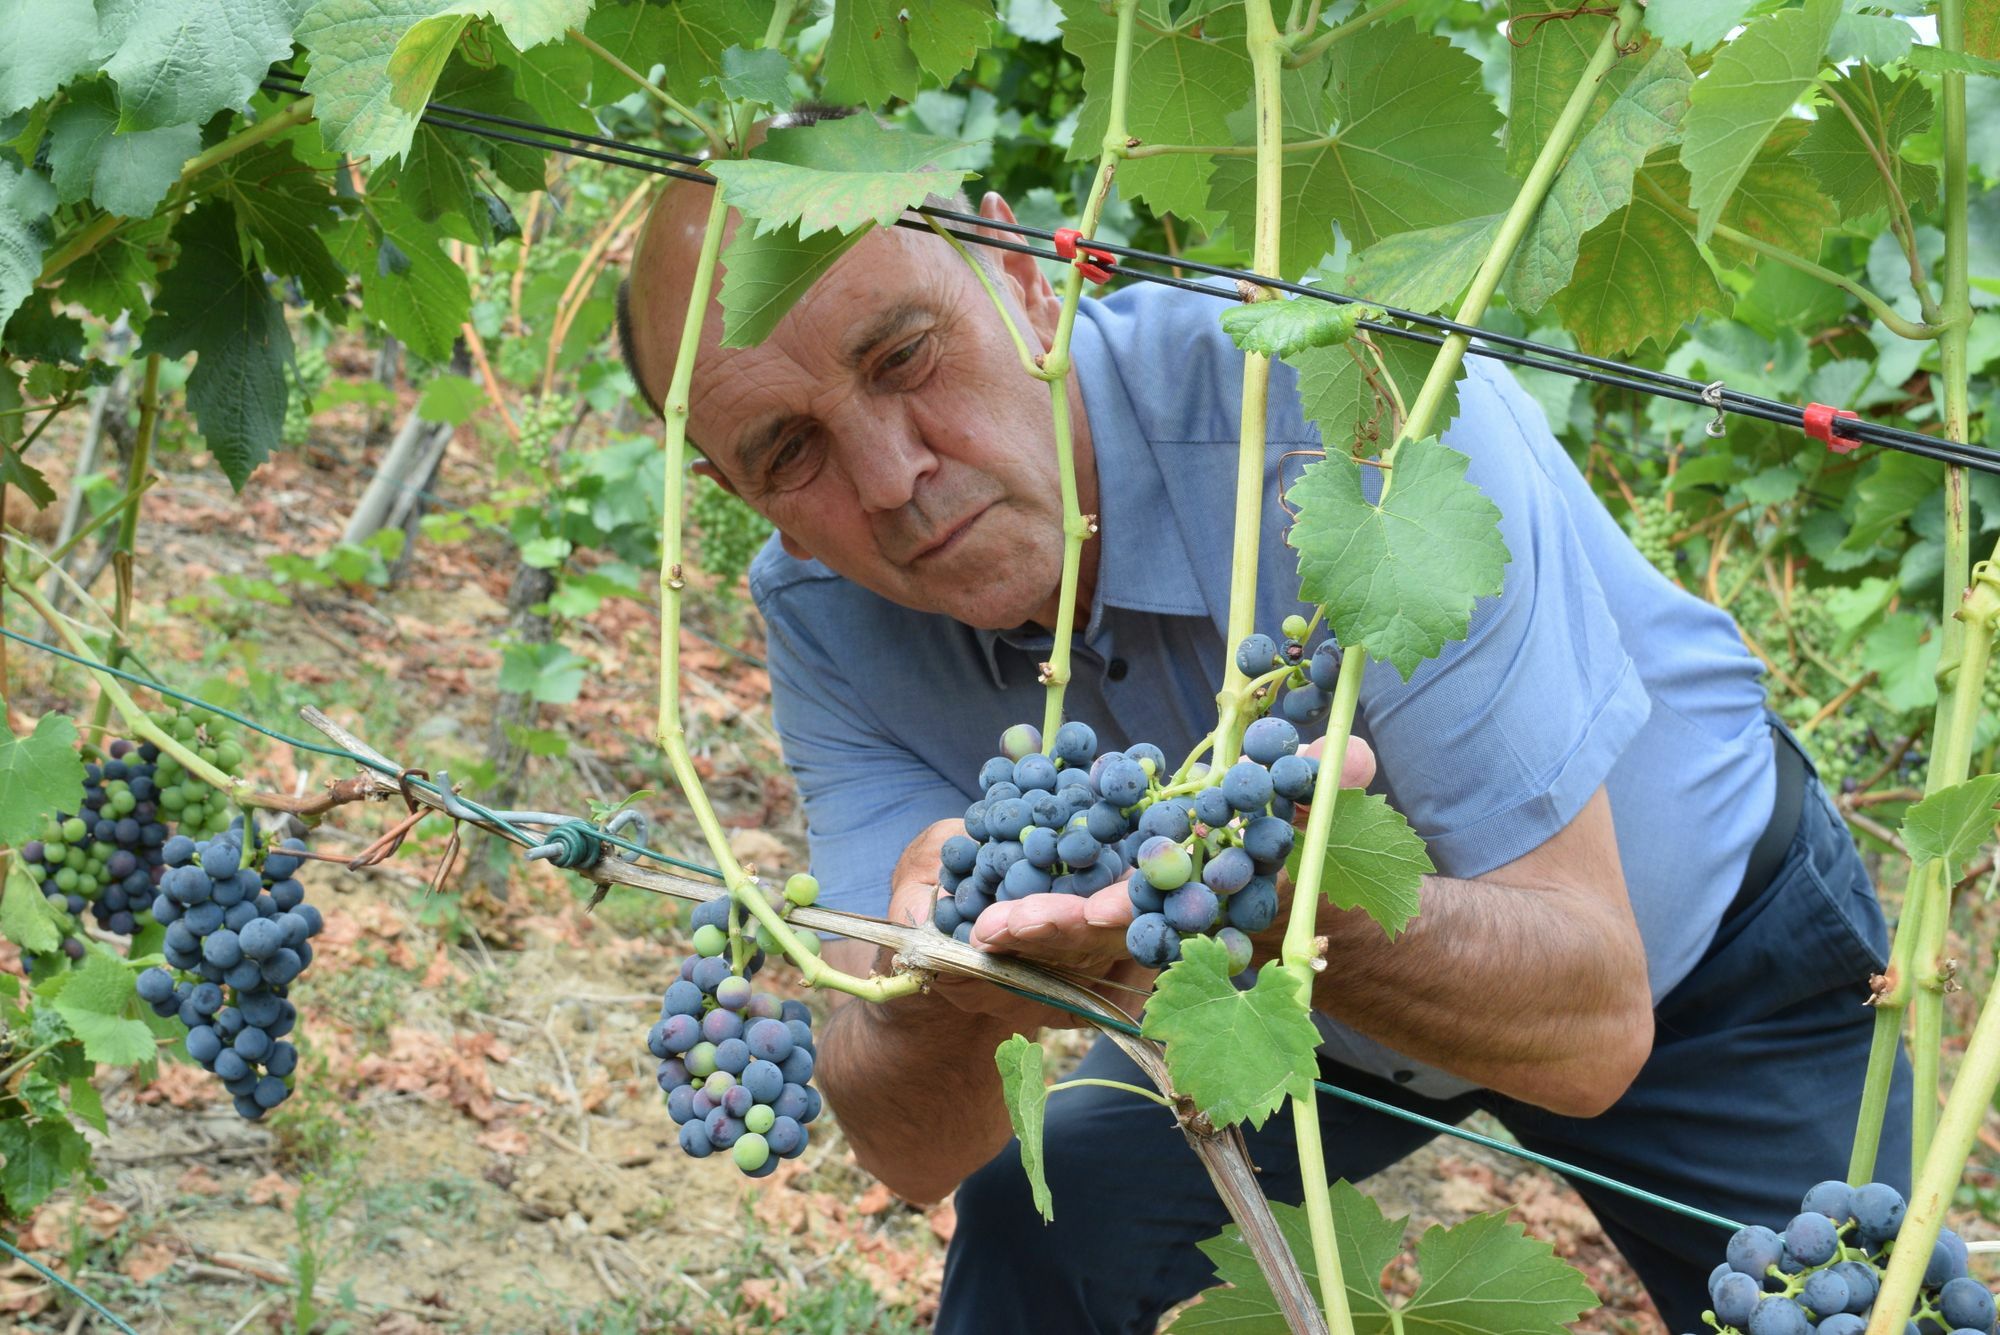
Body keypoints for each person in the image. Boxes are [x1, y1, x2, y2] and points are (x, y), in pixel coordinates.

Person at [617, 169, 1913, 1333]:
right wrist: (952, 986)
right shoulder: (821, 610)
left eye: (904, 357)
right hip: (1290, 1020)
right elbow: (917, 1150)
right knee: (1038, 1228)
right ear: (737, 493)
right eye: (790, 453)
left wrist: (1276, 905)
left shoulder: (1359, 422)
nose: (891, 477)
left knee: (1842, 1308)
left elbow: (1589, 1034)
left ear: (1021, 271)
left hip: (1702, 963)